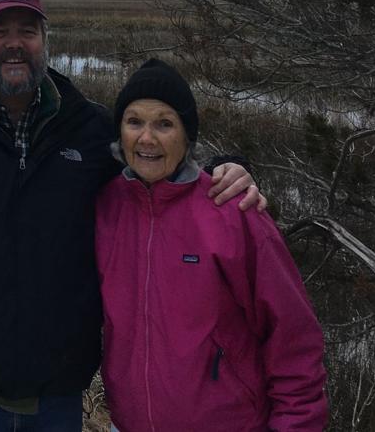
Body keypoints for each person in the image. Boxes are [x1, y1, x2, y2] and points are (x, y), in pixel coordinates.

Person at [0, 0, 265, 432]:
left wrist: (226, 170)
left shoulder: (88, 129)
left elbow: (159, 169)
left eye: (28, 31)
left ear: (45, 43)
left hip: (56, 399)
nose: (15, 44)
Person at [97, 58, 327, 432]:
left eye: (165, 124)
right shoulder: (105, 208)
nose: (147, 139)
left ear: (188, 137)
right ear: (119, 132)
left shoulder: (232, 209)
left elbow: (292, 337)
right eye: (134, 121)